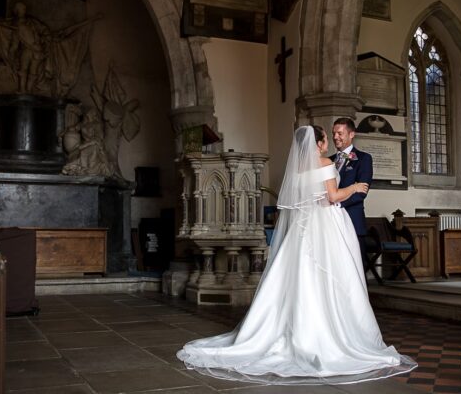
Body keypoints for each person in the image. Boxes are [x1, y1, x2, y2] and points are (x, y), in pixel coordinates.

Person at [177, 125, 416, 385]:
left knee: (298, 276)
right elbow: (332, 197)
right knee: (332, 279)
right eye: (327, 137)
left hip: (302, 230)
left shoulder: (299, 170)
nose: (330, 141)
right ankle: (331, 332)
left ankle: (290, 328)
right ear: (321, 143)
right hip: (326, 227)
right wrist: (355, 187)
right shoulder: (325, 162)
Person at [331, 117, 373, 264]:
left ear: (351, 134)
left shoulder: (363, 159)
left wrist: (336, 205)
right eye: (334, 133)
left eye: (340, 133)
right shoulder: (328, 161)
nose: (335, 137)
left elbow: (361, 192)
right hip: (330, 222)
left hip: (352, 220)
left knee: (355, 268)